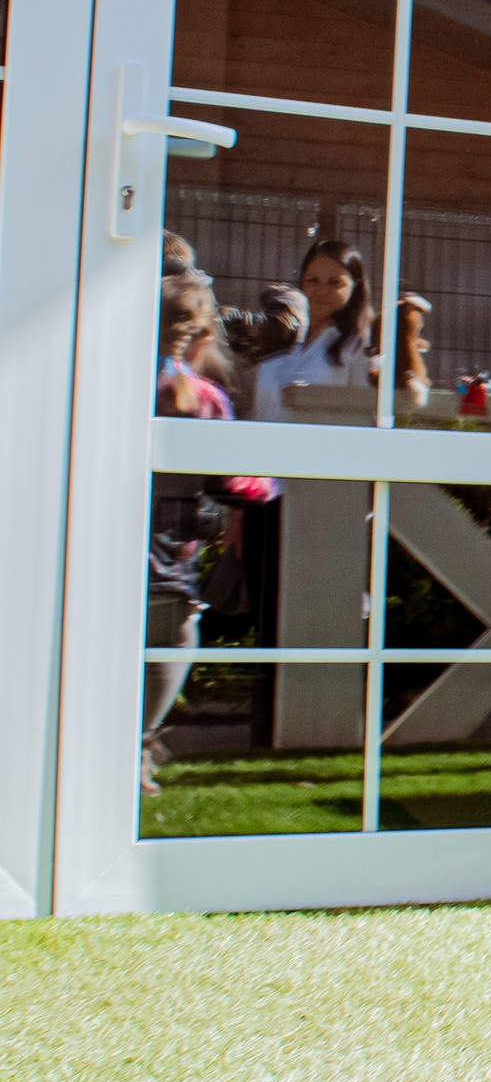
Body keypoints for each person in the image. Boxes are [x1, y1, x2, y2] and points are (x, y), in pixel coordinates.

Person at [143, 273, 277, 791]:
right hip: (167, 560)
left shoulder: (101, 383)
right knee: (173, 644)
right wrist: (266, 482)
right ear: (200, 339)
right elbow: (231, 481)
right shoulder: (201, 396)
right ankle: (138, 744)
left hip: (105, 549)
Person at [249, 239, 376, 422]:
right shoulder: (283, 334)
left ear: (355, 285)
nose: (321, 291)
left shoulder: (359, 345)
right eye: (313, 280)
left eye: (334, 282)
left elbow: (365, 415)